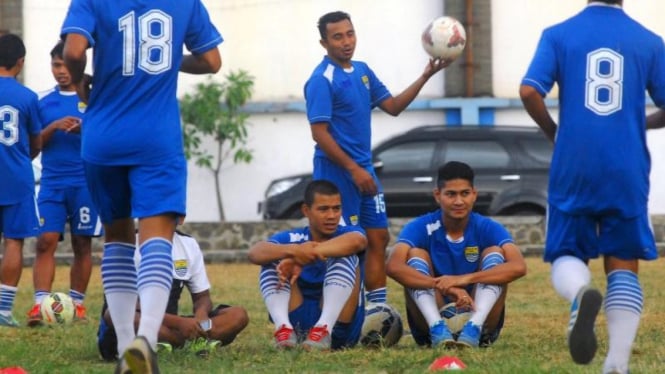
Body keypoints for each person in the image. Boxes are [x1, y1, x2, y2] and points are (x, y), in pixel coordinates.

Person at [61, 0, 223, 372]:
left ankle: (122, 346)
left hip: (102, 135)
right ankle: (144, 343)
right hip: (157, 138)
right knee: (156, 240)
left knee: (117, 238)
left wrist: (82, 82)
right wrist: (169, 62)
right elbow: (212, 62)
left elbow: (72, 51)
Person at [519, 1, 665, 372]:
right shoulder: (648, 40)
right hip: (627, 165)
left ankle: (579, 292)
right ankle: (616, 365)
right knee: (623, 263)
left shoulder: (558, 34)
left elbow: (528, 91)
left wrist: (555, 131)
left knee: (566, 252)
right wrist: (634, 121)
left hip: (575, 164)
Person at [304, 11, 451, 305]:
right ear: (324, 43)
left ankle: (377, 310)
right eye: (337, 36)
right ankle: (342, 309)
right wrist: (353, 169)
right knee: (344, 242)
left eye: (350, 33)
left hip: (364, 170)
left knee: (377, 238)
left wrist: (426, 76)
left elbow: (393, 106)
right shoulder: (321, 79)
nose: (346, 42)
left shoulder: (362, 71)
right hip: (337, 172)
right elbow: (319, 133)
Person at [386, 161, 526, 349]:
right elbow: (393, 266)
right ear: (438, 195)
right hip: (430, 327)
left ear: (474, 195)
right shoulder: (421, 226)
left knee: (495, 252)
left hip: (481, 324)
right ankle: (437, 326)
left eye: (465, 194)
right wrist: (444, 285)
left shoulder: (487, 227)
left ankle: (474, 327)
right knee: (415, 254)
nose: (459, 201)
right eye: (451, 194)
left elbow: (519, 266)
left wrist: (465, 279)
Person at [27, 40, 103, 327]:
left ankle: (77, 305)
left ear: (78, 65)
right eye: (55, 65)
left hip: (85, 184)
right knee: (45, 241)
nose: (60, 71)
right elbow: (32, 150)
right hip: (52, 184)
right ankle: (39, 306)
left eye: (64, 65)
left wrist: (87, 129)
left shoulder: (96, 101)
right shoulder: (43, 103)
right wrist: (52, 127)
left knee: (82, 244)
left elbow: (108, 140)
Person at [248, 180, 367, 351]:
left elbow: (358, 241)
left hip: (339, 330)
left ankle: (324, 329)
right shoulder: (295, 237)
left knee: (347, 255)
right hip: (298, 325)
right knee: (272, 257)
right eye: (323, 209)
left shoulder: (347, 234)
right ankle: (283, 329)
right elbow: (255, 253)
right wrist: (294, 252)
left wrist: (301, 256)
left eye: (336, 208)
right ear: (306, 210)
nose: (332, 216)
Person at [97, 229, 249, 361]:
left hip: (169, 327)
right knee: (115, 314)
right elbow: (124, 303)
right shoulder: (129, 243)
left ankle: (174, 342)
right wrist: (178, 323)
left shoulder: (188, 244)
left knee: (238, 315)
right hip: (137, 323)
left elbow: (202, 297)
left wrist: (201, 314)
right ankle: (188, 343)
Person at [0, 33, 43, 327]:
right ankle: (2, 311)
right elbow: (36, 142)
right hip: (16, 177)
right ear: (20, 62)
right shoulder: (28, 98)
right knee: (14, 242)